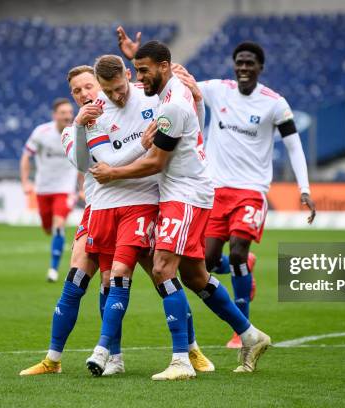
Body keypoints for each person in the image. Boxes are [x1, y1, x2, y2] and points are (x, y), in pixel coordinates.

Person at [117, 30, 315, 348]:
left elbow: (293, 145)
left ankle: (227, 337)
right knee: (203, 267)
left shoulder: (275, 103)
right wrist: (136, 55)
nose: (243, 68)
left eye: (250, 63)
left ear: (260, 67)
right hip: (215, 186)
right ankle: (248, 329)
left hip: (247, 190)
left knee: (231, 252)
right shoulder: (216, 90)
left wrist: (304, 187)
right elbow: (170, 76)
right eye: (239, 62)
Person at [90, 41, 271, 381]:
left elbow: (156, 161)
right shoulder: (175, 90)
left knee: (161, 268)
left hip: (184, 193)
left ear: (164, 66)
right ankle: (250, 335)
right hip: (185, 190)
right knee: (194, 276)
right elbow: (195, 124)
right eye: (137, 70)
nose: (140, 78)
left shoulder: (171, 104)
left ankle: (181, 361)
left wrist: (113, 173)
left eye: (144, 71)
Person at [82, 55, 214, 376]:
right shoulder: (94, 113)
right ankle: (113, 356)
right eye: (106, 90)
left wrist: (195, 98)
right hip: (108, 205)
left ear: (129, 76)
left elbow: (176, 113)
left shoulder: (151, 95)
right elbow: (101, 161)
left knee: (161, 273)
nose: (116, 96)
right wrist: (78, 125)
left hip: (150, 201)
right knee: (114, 278)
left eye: (119, 88)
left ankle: (187, 352)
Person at [20, 65, 114, 375]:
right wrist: (77, 125)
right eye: (77, 91)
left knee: (167, 276)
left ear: (101, 84)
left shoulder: (124, 111)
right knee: (77, 280)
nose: (85, 94)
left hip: (136, 209)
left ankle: (187, 351)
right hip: (97, 209)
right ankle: (53, 359)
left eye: (89, 86)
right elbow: (84, 164)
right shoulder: (65, 130)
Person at [20, 98, 81, 282]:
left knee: (58, 224)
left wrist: (82, 187)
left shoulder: (77, 133)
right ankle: (56, 241)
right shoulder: (41, 133)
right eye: (63, 113)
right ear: (55, 115)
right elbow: (26, 156)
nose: (67, 116)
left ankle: (53, 270)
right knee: (48, 228)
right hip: (43, 189)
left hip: (65, 188)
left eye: (70, 112)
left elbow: (82, 162)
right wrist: (25, 182)